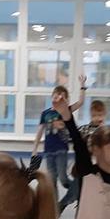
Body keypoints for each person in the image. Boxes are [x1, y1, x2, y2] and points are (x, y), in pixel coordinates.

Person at [31, 76, 87, 208]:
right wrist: (34, 149)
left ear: (66, 101)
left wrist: (82, 86)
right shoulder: (45, 114)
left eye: (62, 98)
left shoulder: (66, 111)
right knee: (52, 180)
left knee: (63, 178)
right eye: (56, 96)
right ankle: (55, 207)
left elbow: (80, 102)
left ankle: (77, 188)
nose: (58, 99)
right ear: (52, 97)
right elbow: (40, 132)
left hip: (61, 150)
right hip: (48, 151)